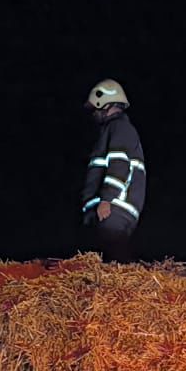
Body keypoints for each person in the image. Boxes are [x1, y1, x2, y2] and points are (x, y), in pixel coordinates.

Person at [79, 79, 145, 262]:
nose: (93, 115)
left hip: (113, 212)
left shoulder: (119, 128)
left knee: (113, 257)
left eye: (95, 110)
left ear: (105, 105)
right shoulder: (112, 130)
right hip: (107, 213)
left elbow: (119, 164)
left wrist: (107, 199)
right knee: (105, 265)